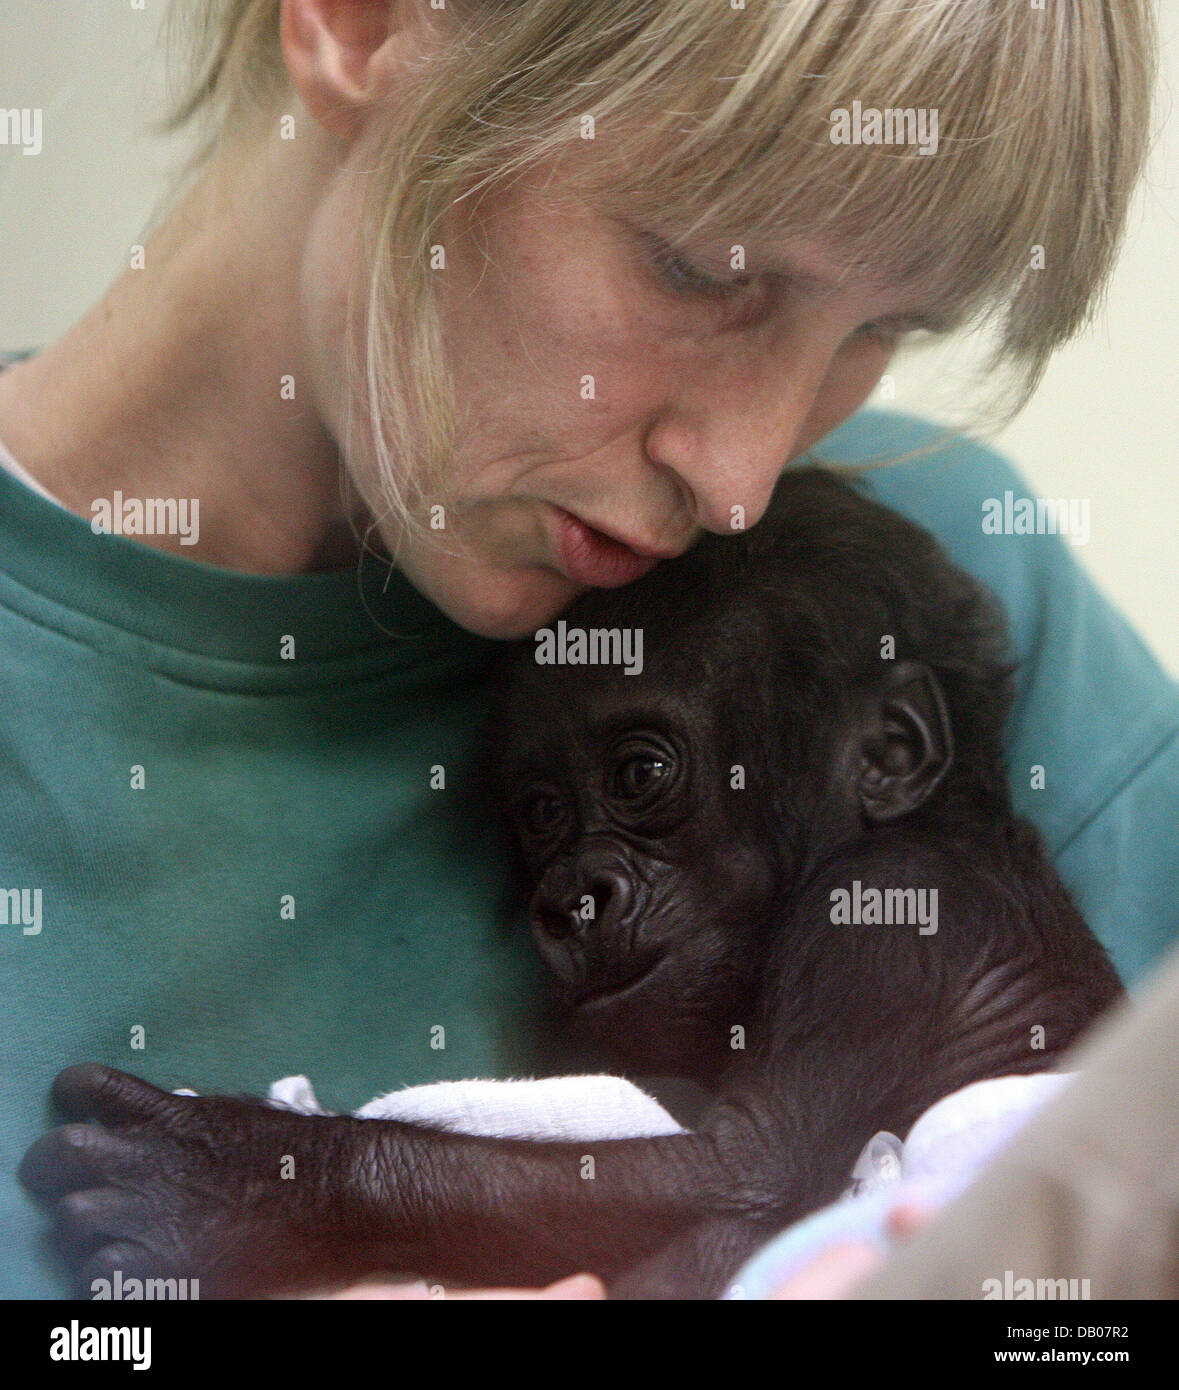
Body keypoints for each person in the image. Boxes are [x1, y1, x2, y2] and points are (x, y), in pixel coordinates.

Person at [0, 0, 1171, 1299]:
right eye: (703, 269)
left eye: (879, 330)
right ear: (365, 21)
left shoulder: (920, 595)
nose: (740, 484)